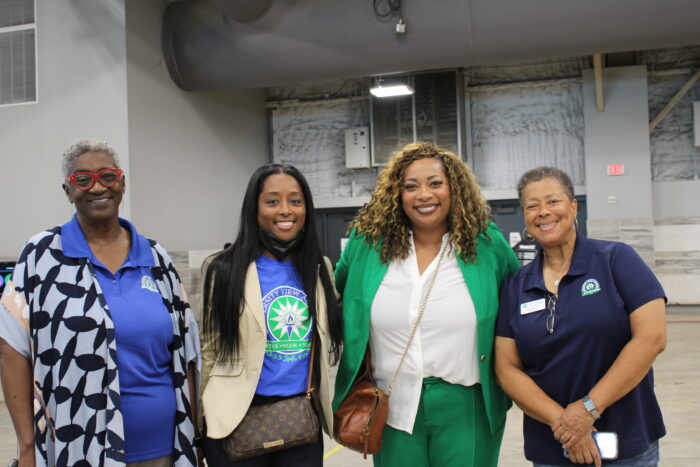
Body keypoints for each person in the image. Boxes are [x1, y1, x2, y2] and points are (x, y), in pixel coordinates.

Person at [0, 139, 200, 466]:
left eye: (107, 176)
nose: (97, 187)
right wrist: (26, 445)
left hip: (163, 448)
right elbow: (11, 347)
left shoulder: (156, 258)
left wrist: (195, 436)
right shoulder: (40, 257)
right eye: (83, 180)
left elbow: (186, 353)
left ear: (122, 183)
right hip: (77, 448)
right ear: (68, 190)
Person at [332, 142, 520, 467]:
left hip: (467, 401)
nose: (424, 195)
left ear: (453, 188)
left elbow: (519, 303)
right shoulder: (367, 245)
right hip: (391, 401)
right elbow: (334, 295)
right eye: (410, 186)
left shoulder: (487, 244)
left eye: (435, 183)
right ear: (396, 194)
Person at [495, 167, 667, 467]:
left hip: (626, 441)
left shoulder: (616, 259)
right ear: (525, 217)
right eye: (532, 206)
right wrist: (565, 423)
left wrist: (588, 409)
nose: (543, 212)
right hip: (552, 444)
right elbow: (507, 368)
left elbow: (651, 339)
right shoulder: (517, 285)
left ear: (573, 206)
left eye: (552, 201)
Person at [199, 164, 343, 466]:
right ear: (254, 209)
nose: (285, 210)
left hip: (300, 420)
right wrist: (201, 421)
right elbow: (209, 352)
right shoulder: (223, 269)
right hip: (235, 419)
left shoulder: (319, 268)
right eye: (272, 201)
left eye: (295, 200)